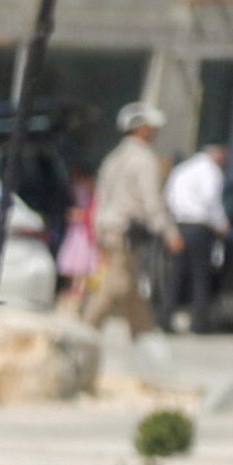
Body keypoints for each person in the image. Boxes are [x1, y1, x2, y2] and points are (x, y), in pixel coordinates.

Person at [80, 103, 172, 335]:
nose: (155, 133)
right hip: (126, 231)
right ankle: (85, 331)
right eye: (152, 128)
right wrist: (169, 232)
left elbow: (101, 197)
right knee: (116, 285)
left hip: (108, 229)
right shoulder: (144, 159)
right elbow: (151, 200)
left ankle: (145, 336)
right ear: (141, 129)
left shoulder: (113, 158)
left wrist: (97, 229)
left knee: (129, 285)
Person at [164, 135, 230, 332]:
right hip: (200, 227)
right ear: (216, 152)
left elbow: (169, 196)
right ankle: (199, 322)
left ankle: (165, 317)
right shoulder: (211, 172)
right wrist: (221, 223)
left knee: (176, 274)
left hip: (179, 224)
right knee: (200, 275)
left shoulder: (183, 168)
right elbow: (211, 201)